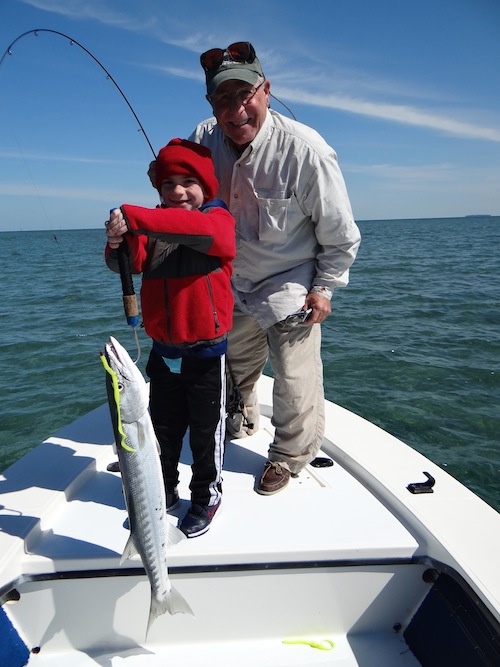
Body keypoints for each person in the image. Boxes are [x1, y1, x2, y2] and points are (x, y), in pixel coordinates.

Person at [151, 42, 361, 496]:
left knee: (294, 375)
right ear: (210, 103)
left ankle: (288, 454)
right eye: (222, 98)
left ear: (266, 90)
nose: (236, 109)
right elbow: (183, 193)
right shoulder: (203, 137)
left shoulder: (307, 150)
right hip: (230, 280)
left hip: (291, 280)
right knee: (237, 364)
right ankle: (242, 417)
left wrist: (324, 288)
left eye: (245, 94)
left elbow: (341, 233)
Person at [105, 138, 235, 537]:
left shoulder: (216, 219)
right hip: (163, 352)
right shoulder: (153, 226)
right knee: (162, 429)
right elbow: (128, 262)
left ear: (205, 187)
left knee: (205, 433)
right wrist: (118, 240)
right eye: (167, 184)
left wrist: (135, 216)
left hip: (205, 355)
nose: (177, 191)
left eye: (187, 182)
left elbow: (201, 230)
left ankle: (206, 496)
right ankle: (164, 490)